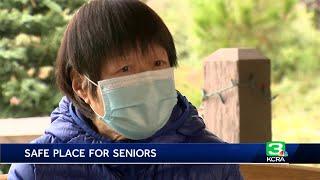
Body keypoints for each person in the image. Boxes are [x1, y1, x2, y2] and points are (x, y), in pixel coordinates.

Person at [8, 0, 243, 179]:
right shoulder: (38, 169)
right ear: (81, 85)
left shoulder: (213, 161)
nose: (147, 82)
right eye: (125, 68)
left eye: (157, 64)